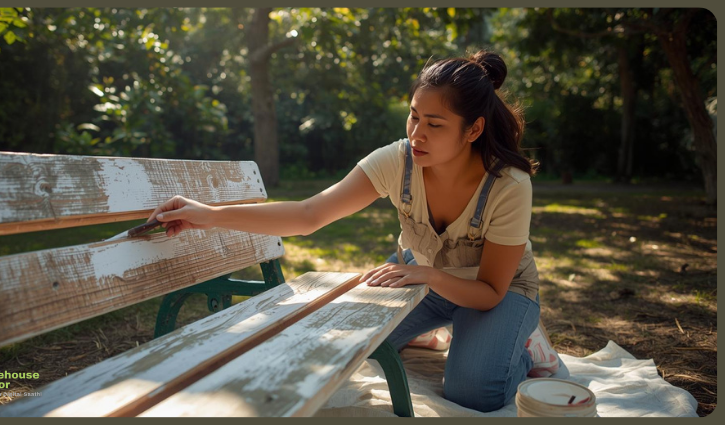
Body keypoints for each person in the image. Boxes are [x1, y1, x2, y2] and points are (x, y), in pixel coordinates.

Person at [146, 50, 541, 413]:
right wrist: (210, 215)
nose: (417, 134)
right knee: (348, 347)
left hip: (495, 292)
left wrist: (432, 276)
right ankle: (436, 332)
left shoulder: (509, 185)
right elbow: (308, 215)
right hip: (421, 276)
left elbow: (491, 291)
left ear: (473, 130)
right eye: (414, 116)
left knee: (473, 391)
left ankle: (520, 350)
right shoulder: (398, 160)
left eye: (434, 124)